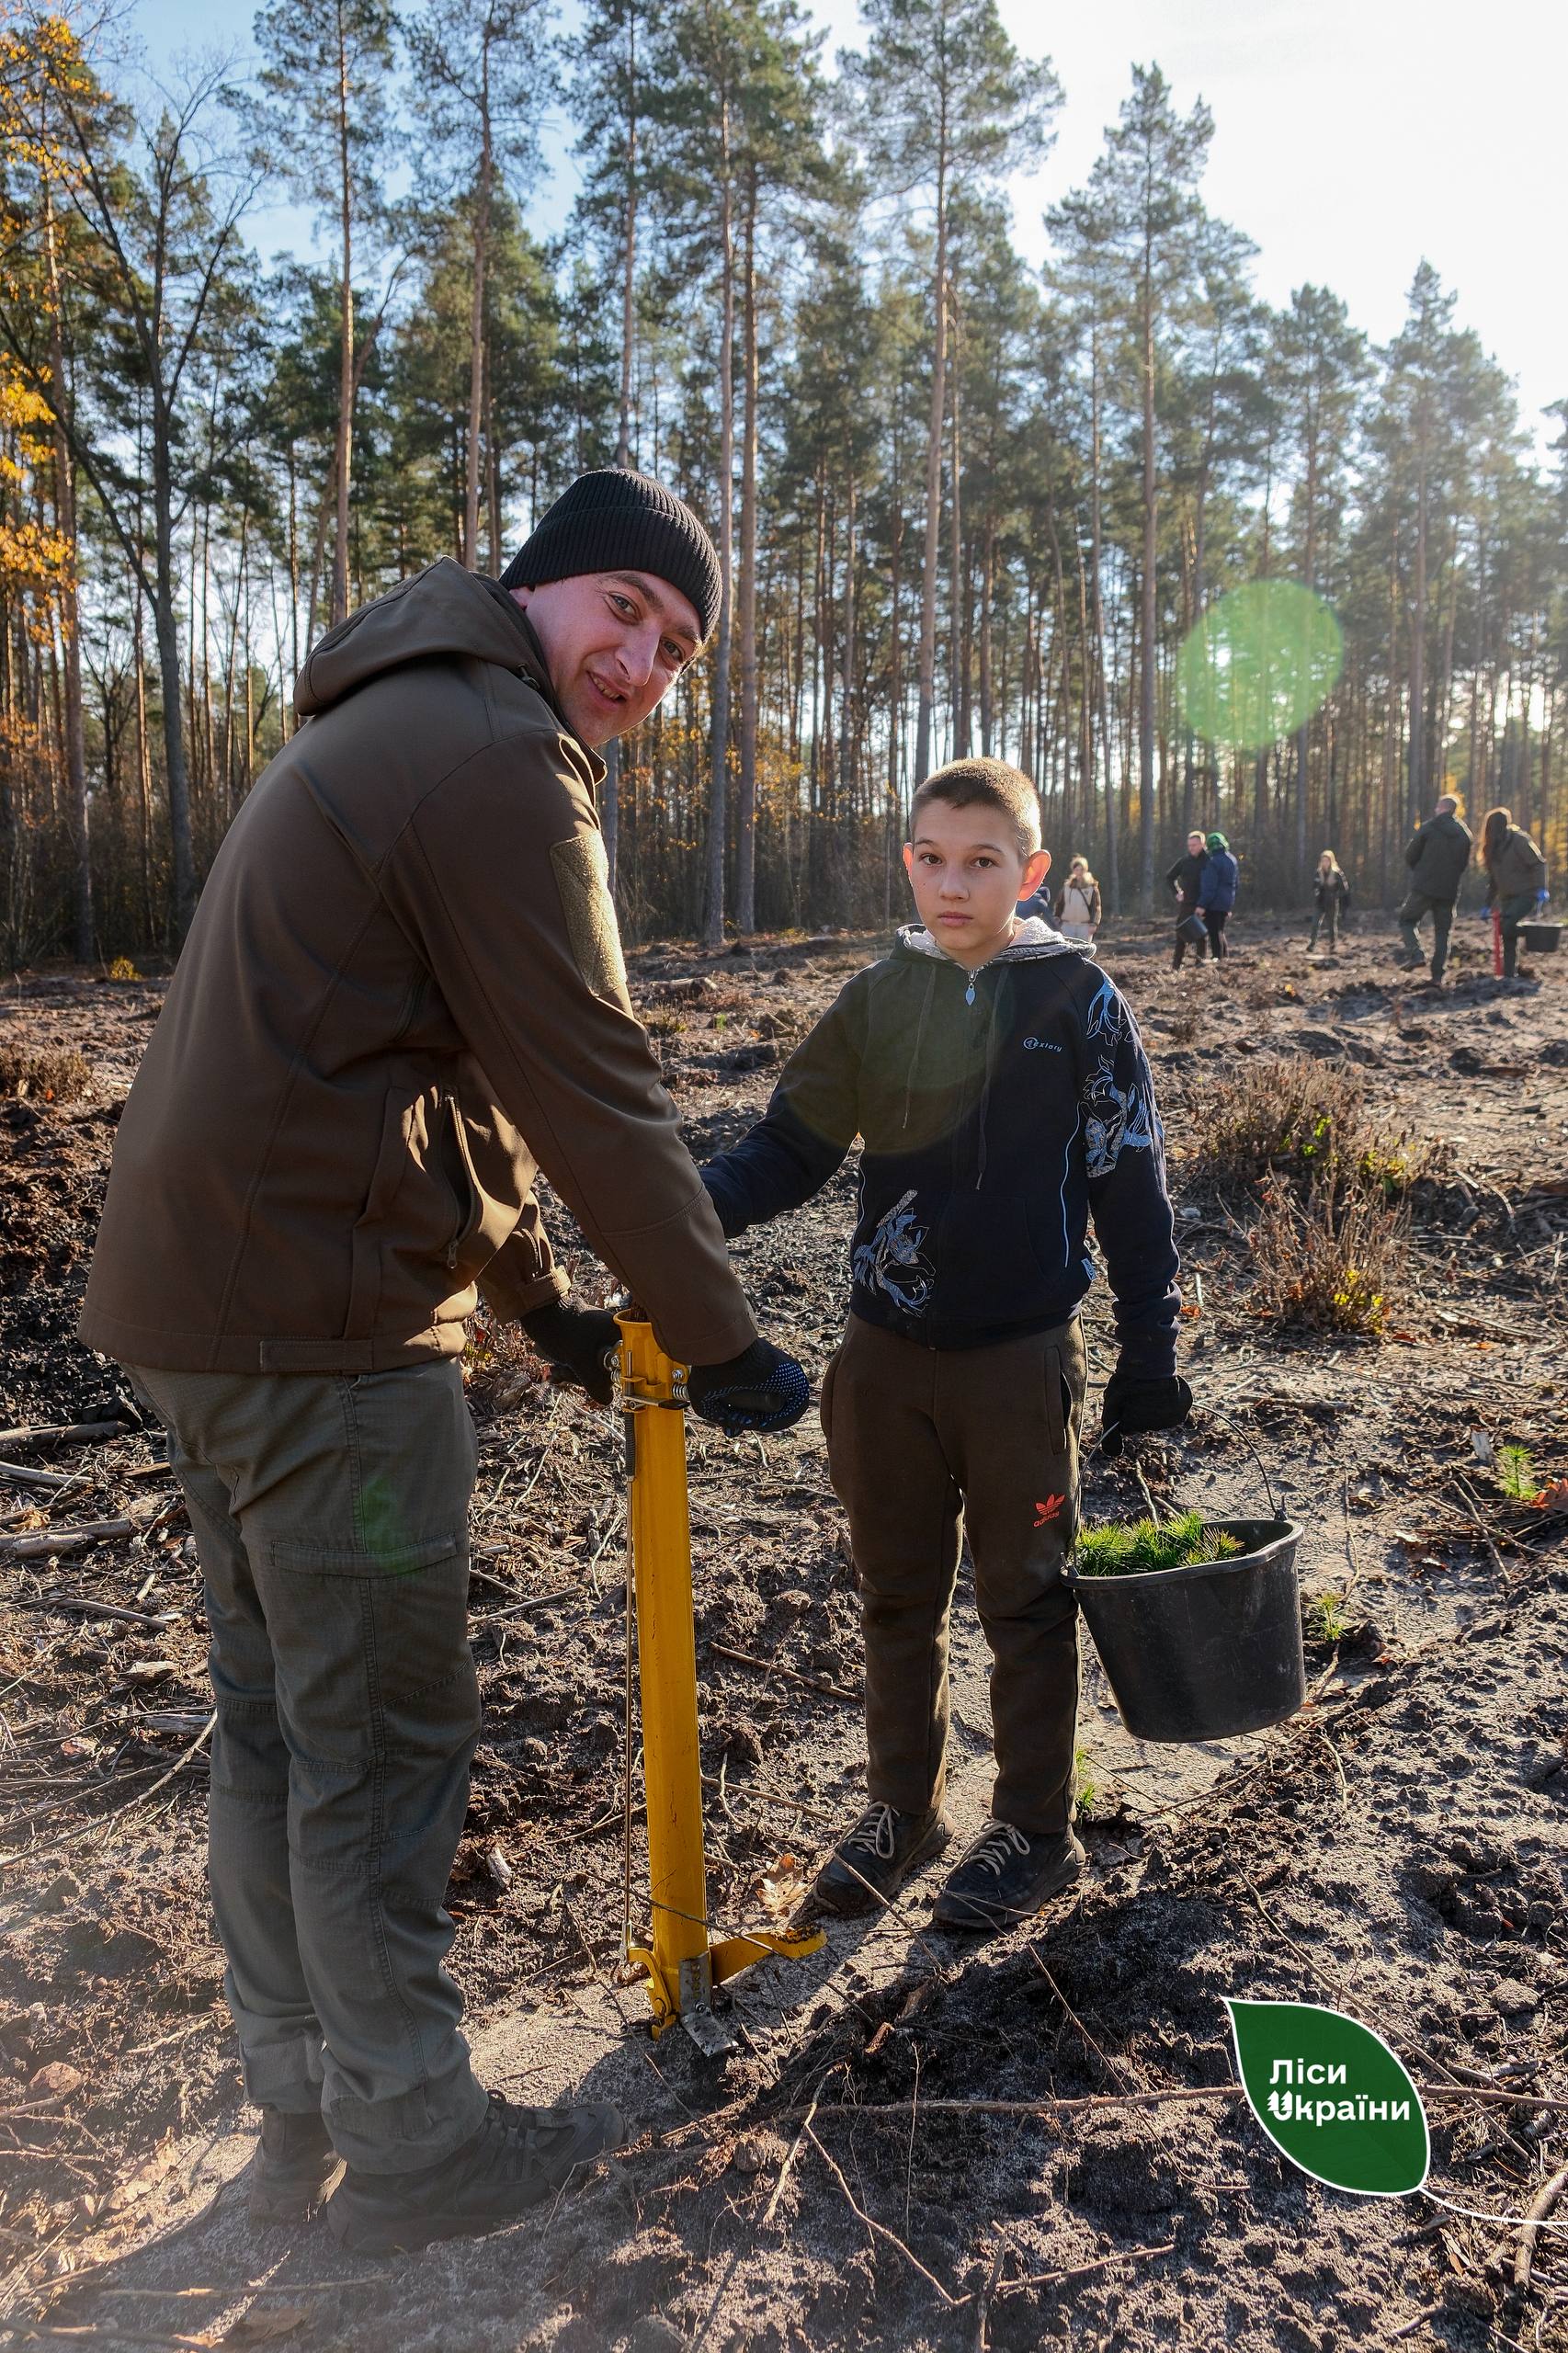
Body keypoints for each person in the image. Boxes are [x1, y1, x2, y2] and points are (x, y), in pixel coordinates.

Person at [77, 469, 812, 2256]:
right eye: (624, 610)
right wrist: (718, 1335)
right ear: (539, 584)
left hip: (203, 1311)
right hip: (319, 1346)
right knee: (381, 1738)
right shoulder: (496, 756)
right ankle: (411, 2140)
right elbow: (587, 1077)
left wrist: (540, 1304)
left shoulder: (401, 711)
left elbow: (430, 1078)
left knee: (279, 1721)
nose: (642, 664)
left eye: (678, 647)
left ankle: (300, 2095)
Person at [699, 757, 1189, 1935]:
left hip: (1018, 1364)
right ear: (907, 863)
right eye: (931, 859)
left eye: (981, 862)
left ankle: (1029, 1828)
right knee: (894, 1594)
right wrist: (682, 1206)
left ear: (1029, 872)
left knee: (1026, 1598)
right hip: (881, 1361)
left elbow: (1131, 1185)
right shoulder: (877, 997)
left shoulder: (1078, 999)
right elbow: (788, 1148)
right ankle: (900, 1811)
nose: (953, 885)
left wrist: (1149, 1351)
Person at [1397, 792, 1471, 983]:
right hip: (1449, 890)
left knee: (1406, 920)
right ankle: (1437, 976)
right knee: (1443, 932)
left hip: (1424, 886)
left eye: (1437, 807)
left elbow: (1410, 855)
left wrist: (1420, 871)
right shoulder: (1464, 834)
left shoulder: (1429, 828)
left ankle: (1416, 953)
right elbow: (1463, 864)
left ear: (1442, 808)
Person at [1477, 805, 1550, 982]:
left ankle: (1536, 933)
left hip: (1526, 894)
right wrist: (1487, 905)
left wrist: (1541, 888)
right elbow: (1493, 880)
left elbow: (1538, 864)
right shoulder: (1491, 848)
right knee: (1507, 936)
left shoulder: (1519, 841)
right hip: (1506, 897)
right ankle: (1509, 975)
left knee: (1507, 926)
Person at [1165, 829, 1209, 969]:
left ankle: (1200, 965)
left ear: (1202, 844)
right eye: (1189, 845)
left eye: (1194, 845)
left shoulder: (1209, 861)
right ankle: (1176, 966)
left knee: (1202, 936)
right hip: (1187, 904)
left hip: (1205, 904)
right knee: (1181, 935)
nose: (1191, 848)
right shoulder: (1184, 862)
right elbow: (1169, 877)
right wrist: (1177, 892)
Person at [1197, 830, 1238, 960]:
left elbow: (1209, 886)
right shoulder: (1232, 859)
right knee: (1220, 930)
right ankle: (1224, 957)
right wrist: (1229, 905)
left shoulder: (1212, 862)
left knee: (1214, 931)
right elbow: (1236, 883)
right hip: (1226, 901)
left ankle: (1217, 957)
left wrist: (1202, 905)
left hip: (1214, 902)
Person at [1055, 854, 1102, 949]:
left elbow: (1095, 908)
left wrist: (1094, 923)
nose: (1079, 872)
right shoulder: (1067, 887)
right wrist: (1057, 919)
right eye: (1077, 870)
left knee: (1083, 951)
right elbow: (1060, 905)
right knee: (1067, 951)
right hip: (1067, 925)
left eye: (1081, 870)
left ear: (1085, 870)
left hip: (1084, 926)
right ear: (1073, 871)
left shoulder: (1091, 888)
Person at [1309, 852, 1351, 953]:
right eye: (1323, 861)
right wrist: (1316, 892)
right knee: (1315, 923)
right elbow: (1313, 887)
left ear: (1331, 861)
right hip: (1319, 902)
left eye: (1327, 861)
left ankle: (1332, 944)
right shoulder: (1318, 873)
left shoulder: (1337, 874)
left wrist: (1336, 896)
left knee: (1331, 925)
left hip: (1332, 903)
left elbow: (1345, 889)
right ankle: (1312, 943)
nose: (1325, 863)